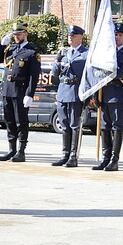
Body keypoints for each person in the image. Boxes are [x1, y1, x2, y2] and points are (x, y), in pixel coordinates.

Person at [0, 22, 41, 162]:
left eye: (19, 34)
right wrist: (2, 45)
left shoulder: (31, 52)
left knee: (21, 122)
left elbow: (34, 76)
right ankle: (11, 149)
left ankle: (21, 151)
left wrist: (29, 94)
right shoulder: (10, 49)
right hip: (7, 90)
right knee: (9, 121)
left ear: (25, 33)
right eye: (14, 34)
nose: (16, 37)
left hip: (20, 90)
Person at [93, 22, 123, 171]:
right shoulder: (106, 53)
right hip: (104, 93)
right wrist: (96, 94)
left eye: (120, 35)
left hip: (117, 94)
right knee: (104, 127)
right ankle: (105, 158)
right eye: (115, 34)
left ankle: (114, 159)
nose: (117, 37)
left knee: (117, 127)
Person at [50, 25, 88, 168]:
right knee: (64, 125)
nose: (70, 38)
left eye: (73, 35)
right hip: (62, 91)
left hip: (75, 92)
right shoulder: (64, 53)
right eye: (68, 36)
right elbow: (54, 74)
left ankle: (73, 156)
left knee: (74, 125)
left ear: (80, 37)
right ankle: (64, 154)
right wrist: (57, 59)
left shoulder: (85, 54)